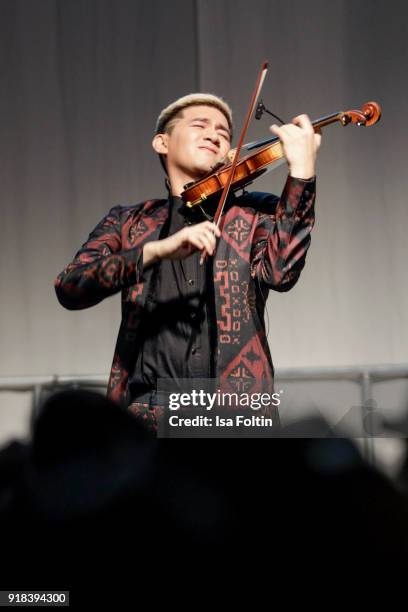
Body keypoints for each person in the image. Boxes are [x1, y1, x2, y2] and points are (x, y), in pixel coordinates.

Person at [55, 93, 321, 433]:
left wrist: (302, 174)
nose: (215, 135)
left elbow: (282, 272)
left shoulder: (254, 213)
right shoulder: (129, 222)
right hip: (150, 418)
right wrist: (156, 250)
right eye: (200, 125)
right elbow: (70, 286)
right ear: (162, 142)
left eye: (224, 133)